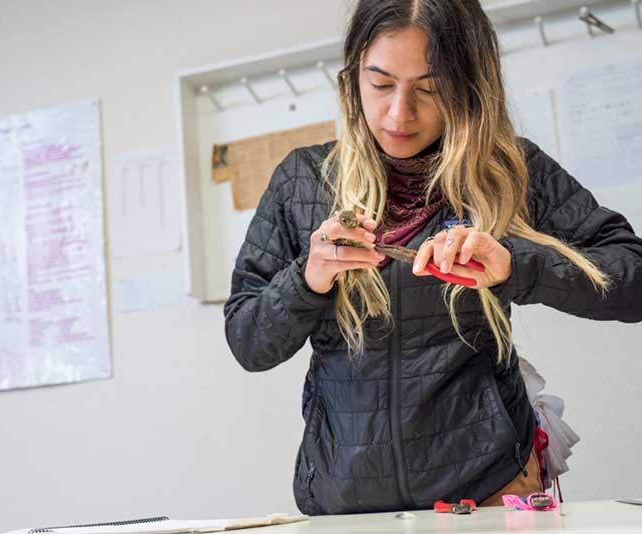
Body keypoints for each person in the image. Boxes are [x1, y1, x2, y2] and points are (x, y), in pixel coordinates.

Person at [223, 0, 642, 515]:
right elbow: (247, 342)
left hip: (489, 491)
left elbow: (632, 277)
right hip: (346, 504)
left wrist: (515, 265)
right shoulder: (303, 180)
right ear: (352, 74)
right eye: (379, 84)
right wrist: (308, 279)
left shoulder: (510, 170)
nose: (399, 114)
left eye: (430, 88)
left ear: (468, 86)